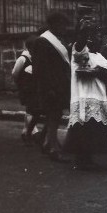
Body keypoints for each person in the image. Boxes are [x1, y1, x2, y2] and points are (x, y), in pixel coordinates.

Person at [66, 16, 107, 171]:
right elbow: (80, 51)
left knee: (93, 130)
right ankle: (81, 160)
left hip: (97, 96)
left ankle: (88, 158)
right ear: (88, 39)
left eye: (100, 36)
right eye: (96, 36)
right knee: (83, 129)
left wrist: (98, 70)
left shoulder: (100, 57)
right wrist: (83, 33)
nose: (99, 39)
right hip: (84, 96)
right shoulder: (80, 51)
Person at [31, 11, 73, 162]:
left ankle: (48, 142)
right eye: (62, 24)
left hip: (59, 85)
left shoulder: (55, 39)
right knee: (53, 116)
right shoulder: (42, 41)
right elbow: (40, 68)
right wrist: (49, 88)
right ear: (53, 24)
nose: (64, 28)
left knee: (55, 115)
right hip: (50, 87)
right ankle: (53, 148)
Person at [11, 44, 41, 144]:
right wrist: (20, 84)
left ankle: (25, 131)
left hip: (33, 88)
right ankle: (34, 131)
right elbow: (15, 73)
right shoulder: (22, 59)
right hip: (25, 88)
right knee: (30, 109)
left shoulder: (35, 58)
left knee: (31, 108)